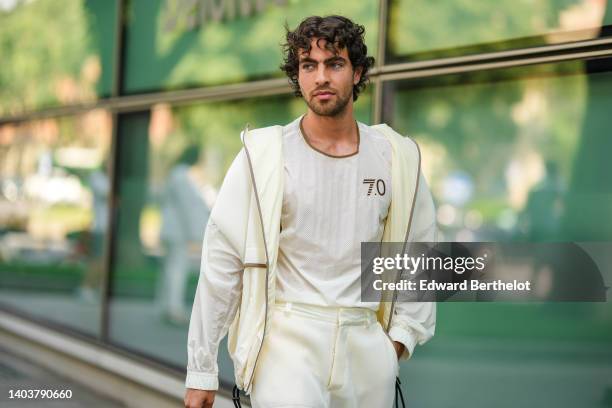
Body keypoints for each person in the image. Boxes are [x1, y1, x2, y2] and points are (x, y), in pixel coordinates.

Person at [184, 15, 437, 408]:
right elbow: (222, 261)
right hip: (288, 341)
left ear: (357, 73)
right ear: (298, 75)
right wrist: (200, 369)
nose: (321, 77)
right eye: (308, 65)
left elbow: (419, 253)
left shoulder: (395, 156)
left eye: (334, 64)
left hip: (366, 343)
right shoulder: (265, 155)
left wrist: (398, 341)